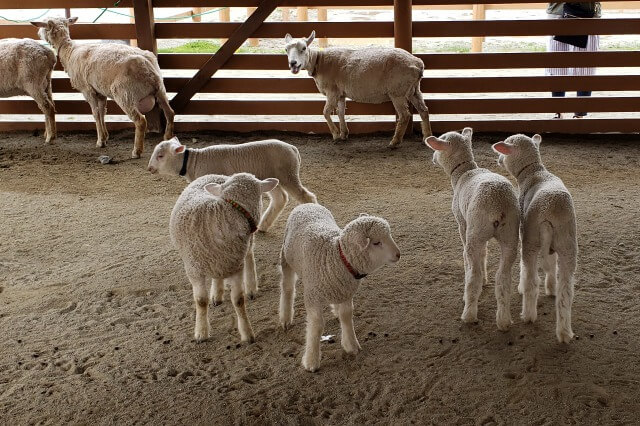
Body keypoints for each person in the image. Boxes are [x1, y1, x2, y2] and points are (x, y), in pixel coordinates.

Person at [546, 2, 601, 118]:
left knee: (585, 68)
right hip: (559, 12)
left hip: (587, 14)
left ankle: (580, 114)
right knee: (557, 67)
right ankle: (559, 111)